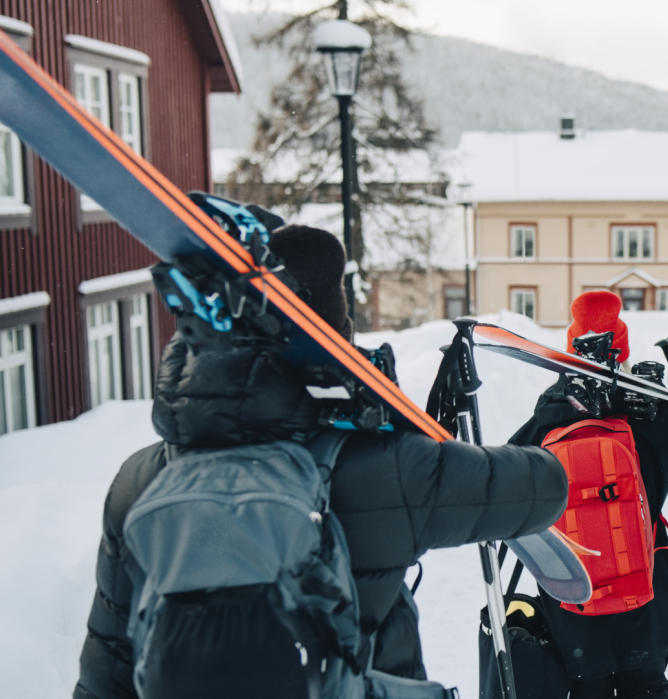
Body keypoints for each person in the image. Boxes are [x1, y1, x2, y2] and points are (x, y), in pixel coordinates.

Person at [73, 225, 570, 698]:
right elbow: (543, 487)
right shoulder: (382, 466)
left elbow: (110, 656)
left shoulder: (139, 483)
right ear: (333, 337)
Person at [509, 290, 668, 699]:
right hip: (647, 601)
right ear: (622, 353)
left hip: (573, 606)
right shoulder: (657, 414)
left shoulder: (544, 424)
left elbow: (501, 489)